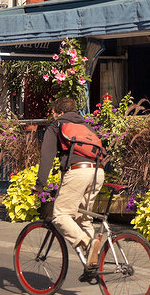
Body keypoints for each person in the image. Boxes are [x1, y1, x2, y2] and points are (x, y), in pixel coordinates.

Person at [34, 94, 105, 271]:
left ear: (60, 112)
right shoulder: (86, 126)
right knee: (83, 218)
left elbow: (47, 156)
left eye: (53, 113)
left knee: (60, 215)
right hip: (98, 172)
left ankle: (88, 243)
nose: (52, 117)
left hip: (78, 171)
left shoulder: (57, 125)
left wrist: (40, 184)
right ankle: (92, 264)